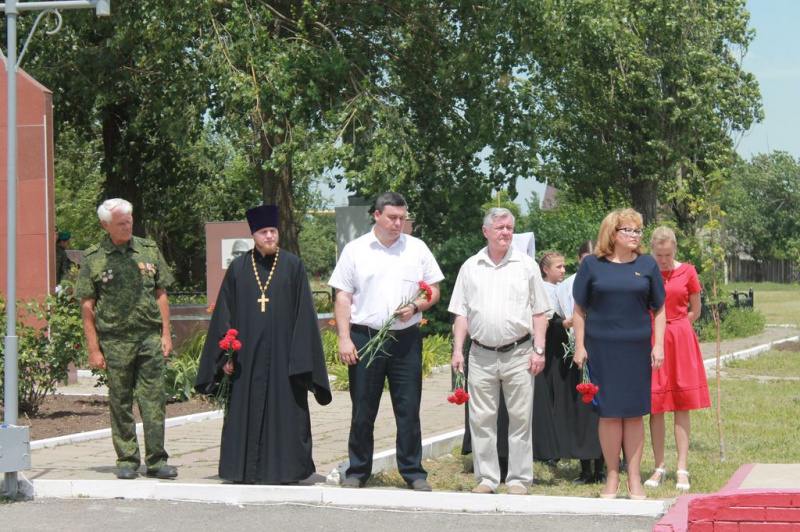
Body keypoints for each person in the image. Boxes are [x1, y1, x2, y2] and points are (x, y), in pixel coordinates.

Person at [195, 205, 332, 484]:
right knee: (244, 410)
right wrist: (226, 356)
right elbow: (225, 313)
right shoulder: (238, 268)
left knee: (286, 412)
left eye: (273, 231)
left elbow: (304, 314)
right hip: (246, 359)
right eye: (263, 232)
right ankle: (243, 470)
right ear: (253, 235)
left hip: (285, 359)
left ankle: (288, 470)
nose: (269, 236)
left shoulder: (293, 266)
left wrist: (302, 360)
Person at [328, 191, 444, 491]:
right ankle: (358, 470)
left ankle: (413, 471)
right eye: (392, 217)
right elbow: (342, 295)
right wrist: (343, 338)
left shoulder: (416, 248)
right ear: (377, 215)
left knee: (408, 407)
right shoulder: (356, 250)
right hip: (365, 337)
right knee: (363, 407)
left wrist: (417, 307)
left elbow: (433, 289)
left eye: (402, 218)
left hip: (406, 339)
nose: (398, 224)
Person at [450, 207, 550, 495]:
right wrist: (459, 351)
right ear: (485, 232)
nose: (506, 232)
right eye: (500, 228)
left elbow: (540, 312)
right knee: (481, 419)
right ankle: (487, 479)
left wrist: (539, 350)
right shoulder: (471, 266)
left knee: (520, 418)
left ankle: (518, 479)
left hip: (519, 353)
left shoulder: (526, 265)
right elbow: (461, 314)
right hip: (480, 355)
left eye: (509, 227)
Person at [75, 198, 178, 480]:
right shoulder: (94, 257)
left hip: (148, 337)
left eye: (130, 220)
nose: (128, 226)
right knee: (120, 401)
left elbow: (161, 293)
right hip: (115, 340)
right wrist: (93, 349)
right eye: (121, 222)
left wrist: (166, 334)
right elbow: (87, 306)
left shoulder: (148, 249)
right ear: (106, 225)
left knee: (153, 400)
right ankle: (127, 459)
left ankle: (157, 460)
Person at [572, 208, 665, 500]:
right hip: (602, 349)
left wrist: (658, 344)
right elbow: (579, 309)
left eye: (638, 231)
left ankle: (634, 479)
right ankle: (612, 476)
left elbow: (659, 309)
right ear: (612, 233)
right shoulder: (592, 266)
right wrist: (580, 345)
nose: (635, 236)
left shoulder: (648, 265)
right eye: (629, 230)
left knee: (634, 414)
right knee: (610, 414)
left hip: (637, 350)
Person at [645, 226, 710, 492]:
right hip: (651, 339)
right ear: (652, 250)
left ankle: (682, 467)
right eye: (659, 254)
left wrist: (678, 327)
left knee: (682, 402)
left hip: (681, 338)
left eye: (667, 254)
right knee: (656, 403)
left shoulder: (688, 271)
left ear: (675, 249)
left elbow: (696, 309)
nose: (663, 259)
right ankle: (659, 465)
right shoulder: (645, 270)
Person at [553, 242, 605, 484]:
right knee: (581, 411)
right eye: (586, 258)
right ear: (579, 258)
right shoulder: (566, 286)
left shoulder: (606, 278)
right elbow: (557, 318)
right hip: (576, 351)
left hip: (604, 349)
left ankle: (603, 467)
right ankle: (585, 467)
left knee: (602, 410)